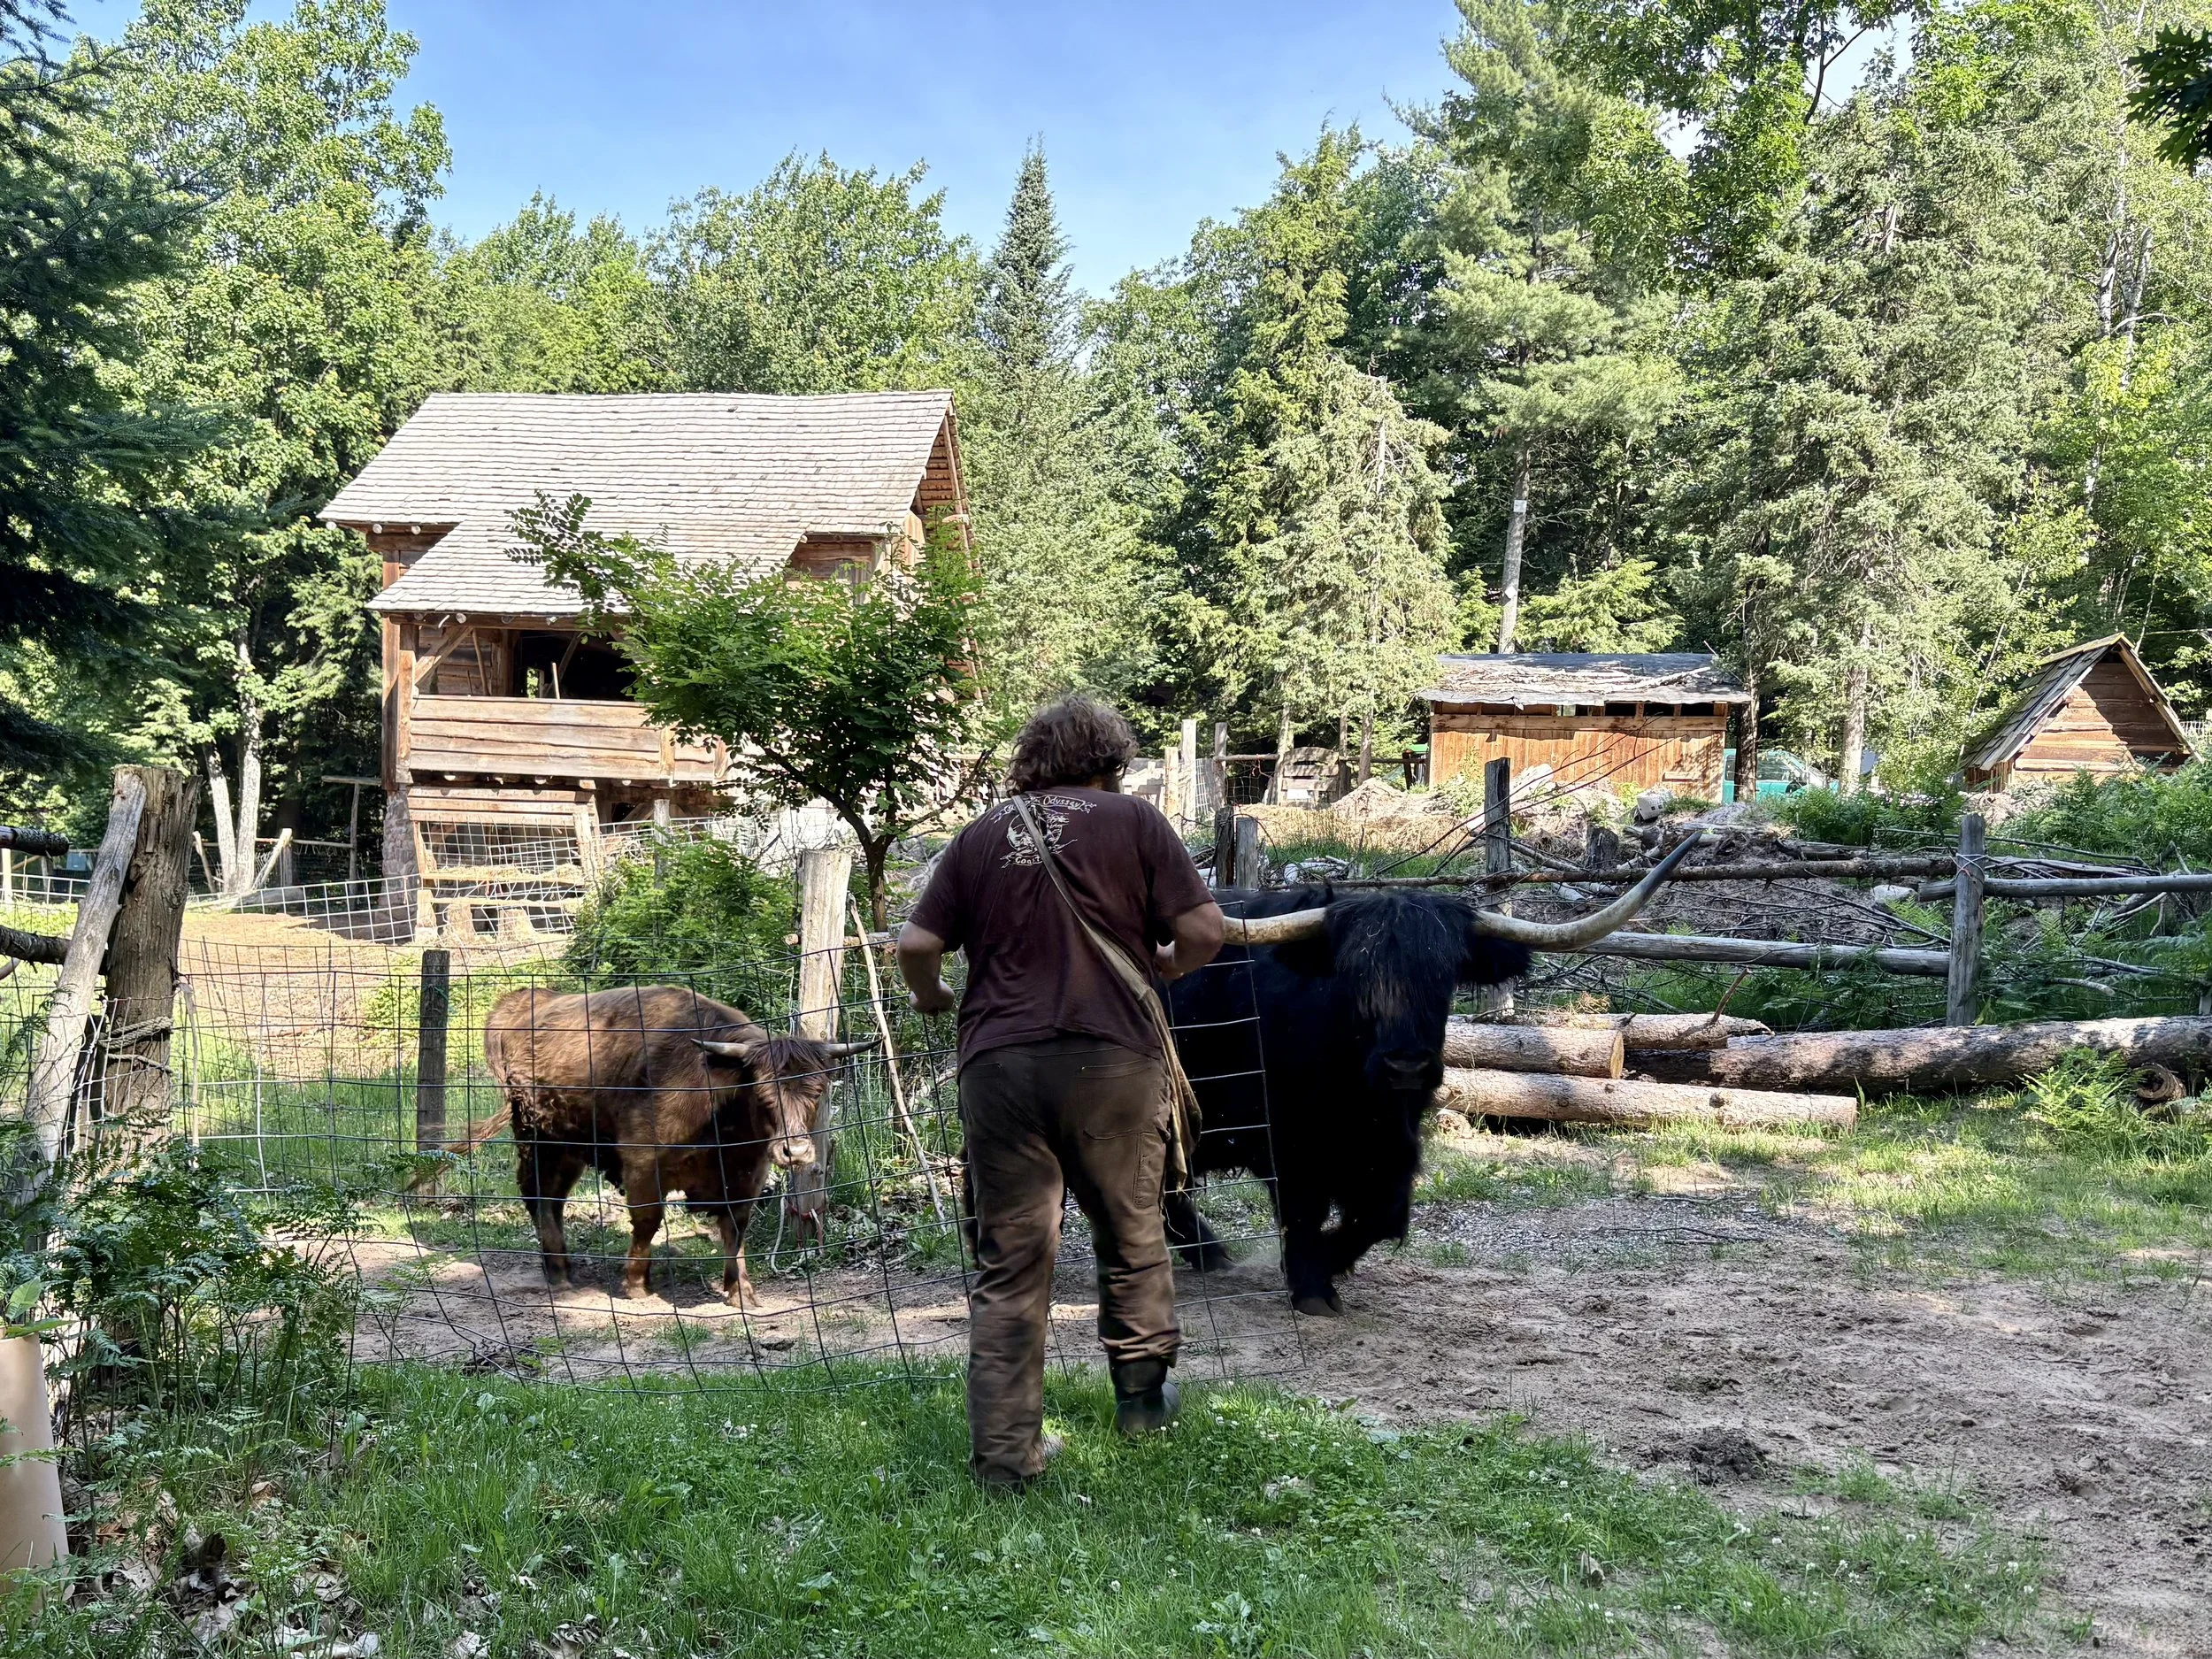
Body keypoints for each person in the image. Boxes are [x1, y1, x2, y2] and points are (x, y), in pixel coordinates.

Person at [898, 695, 1225, 1490]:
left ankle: (1006, 1460)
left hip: (1000, 1067)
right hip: (1114, 1060)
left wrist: (934, 997)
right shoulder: (1136, 823)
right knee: (1131, 1227)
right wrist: (1166, 968)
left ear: (1032, 758)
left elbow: (916, 944)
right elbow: (1206, 930)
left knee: (1011, 1262)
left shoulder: (980, 834)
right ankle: (1144, 1398)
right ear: (1109, 759)